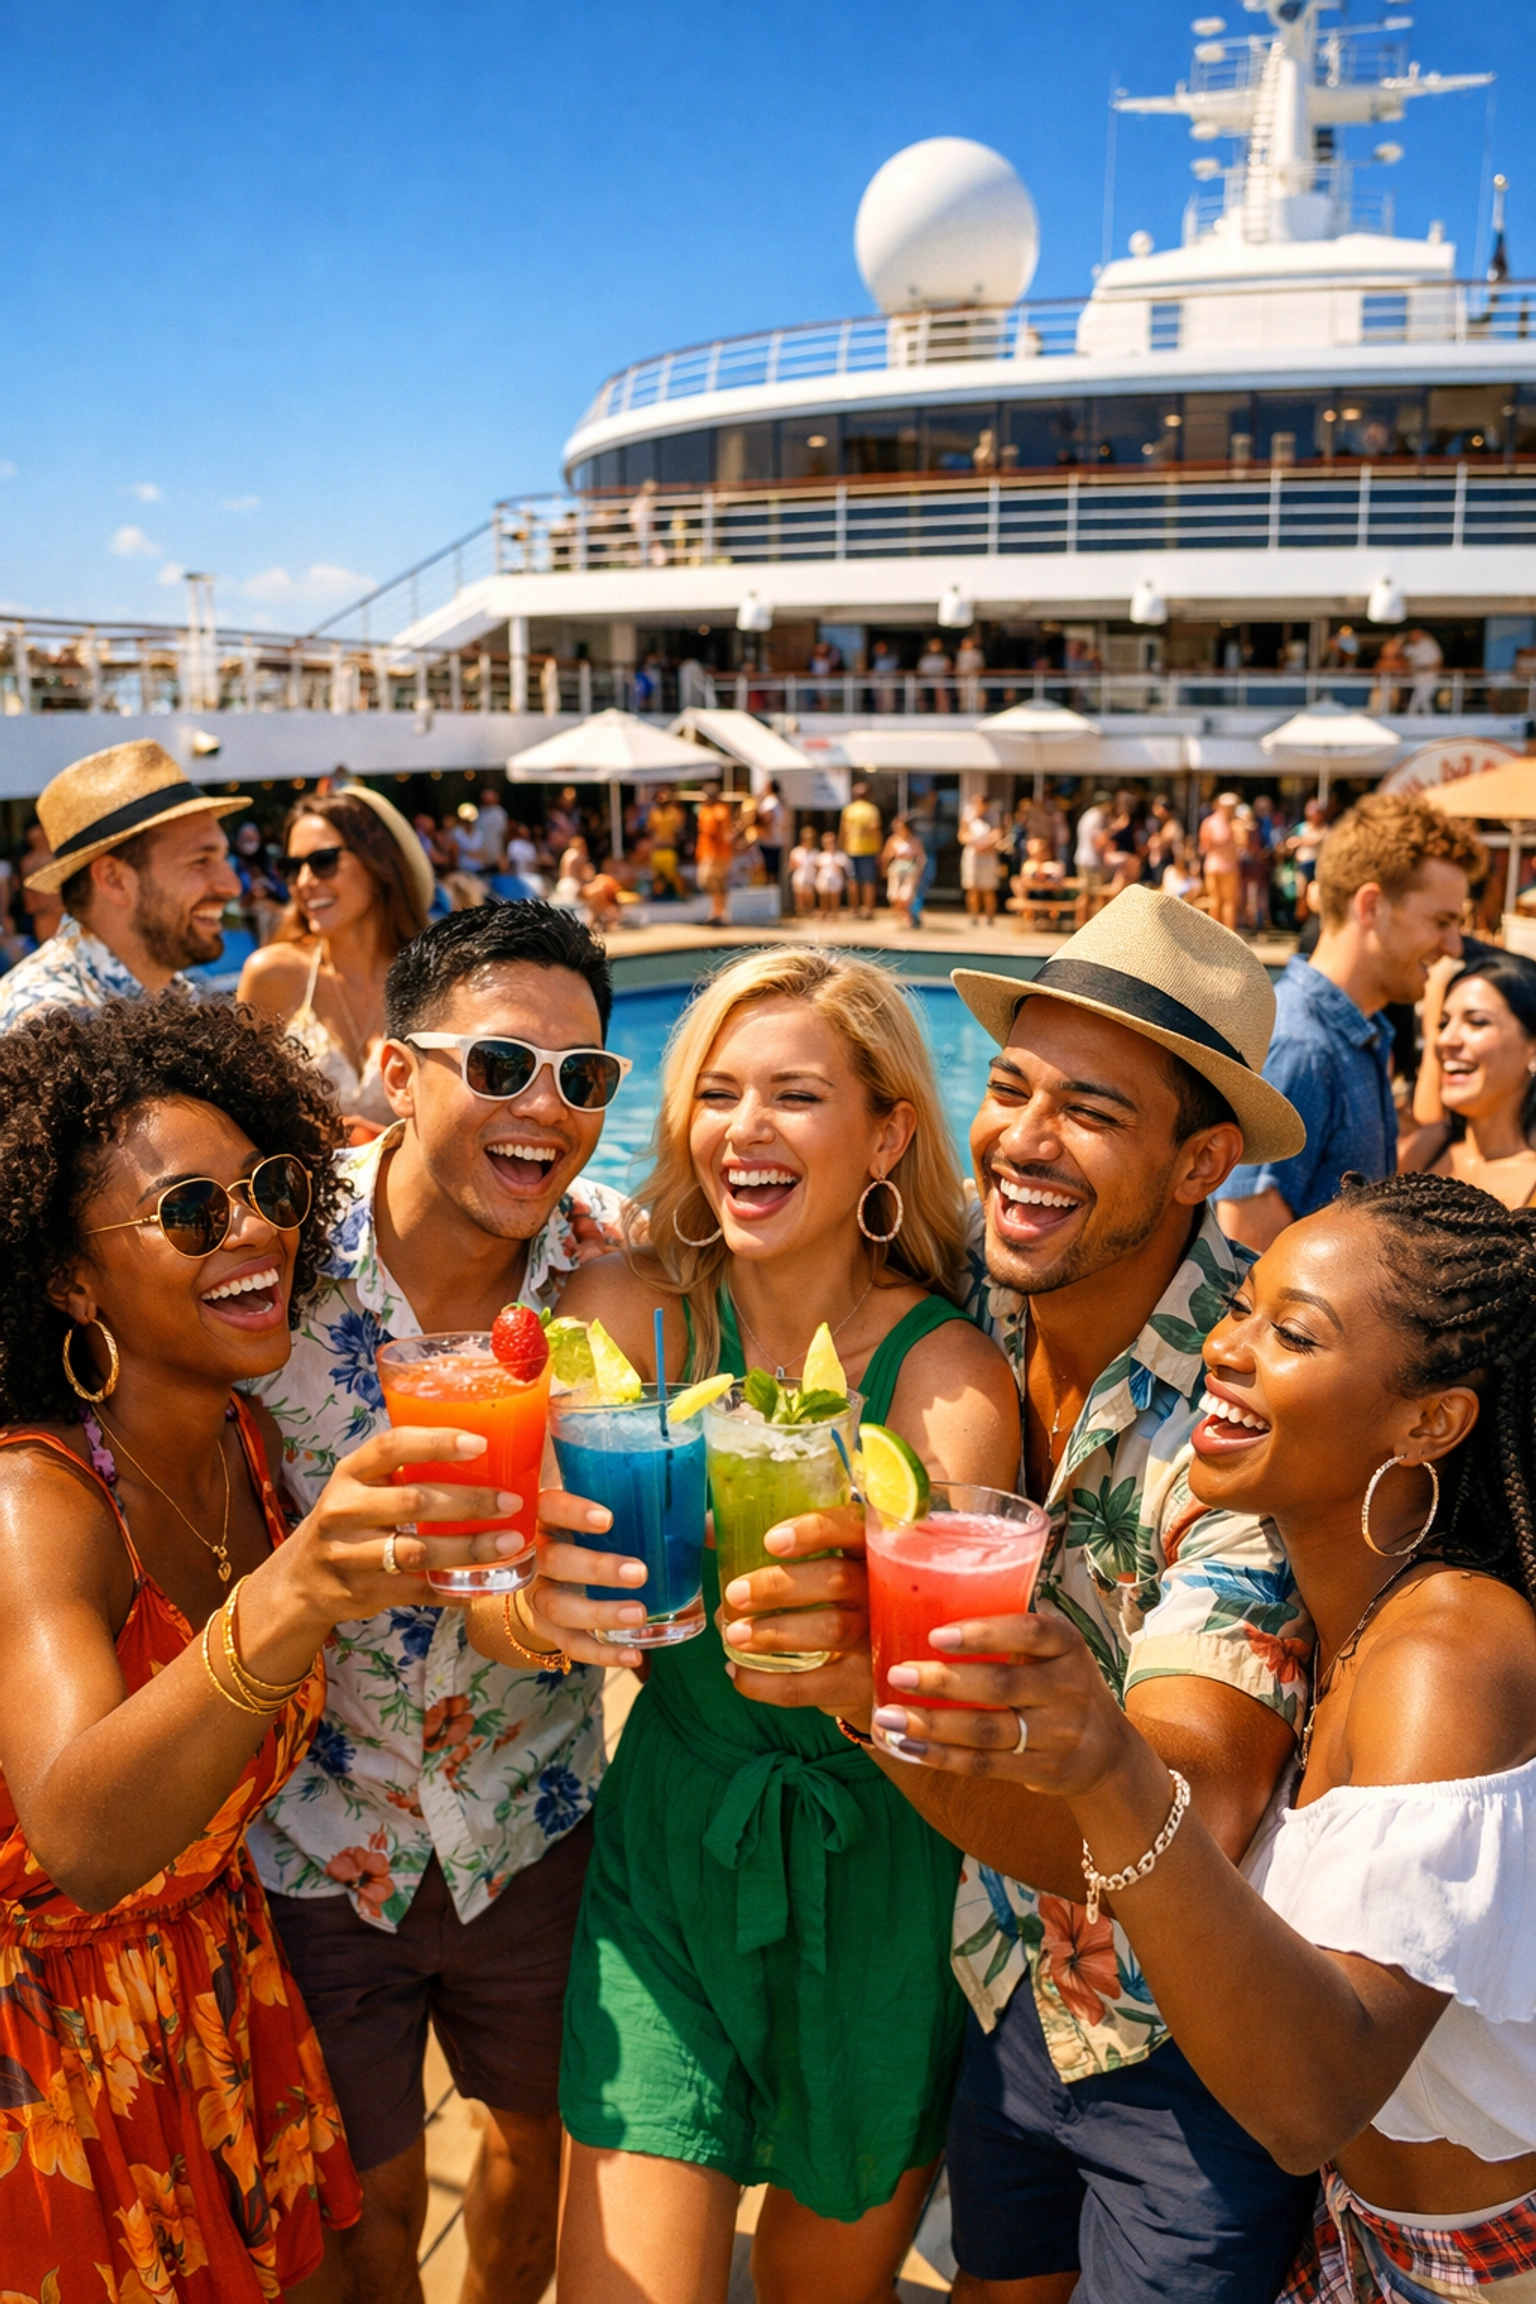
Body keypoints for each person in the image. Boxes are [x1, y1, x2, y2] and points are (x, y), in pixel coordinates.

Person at [729, 891, 1325, 2303]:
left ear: (1202, 1163)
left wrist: (866, 1687)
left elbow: (1187, 1822)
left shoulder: (1256, 1411)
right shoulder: (972, 1298)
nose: (1022, 1139)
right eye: (1007, 1089)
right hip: (997, 1985)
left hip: (1186, 2059)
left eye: (1092, 1111)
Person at [878, 1172, 1536, 2304]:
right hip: (1354, 2234)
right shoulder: (1349, 1619)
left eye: (1293, 1333)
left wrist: (1113, 1772)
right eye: (1244, 1309)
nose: (1226, 1349)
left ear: (1429, 1421)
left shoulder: (1450, 1652)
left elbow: (1306, 2101)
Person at [495, 947, 1019, 2303]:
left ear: (888, 1133)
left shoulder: (946, 1378)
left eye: (795, 1094)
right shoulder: (623, 1320)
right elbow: (518, 1599)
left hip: (881, 1883)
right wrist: (536, 1611)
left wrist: (853, 1666)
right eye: (717, 1092)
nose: (745, 1128)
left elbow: (950, 1692)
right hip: (672, 1854)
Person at [0, 993, 526, 2297]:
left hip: (224, 1987)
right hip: (58, 2053)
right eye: (192, 1213)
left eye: (273, 1188)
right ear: (70, 1276)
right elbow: (82, 1831)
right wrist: (289, 1596)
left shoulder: (250, 1436)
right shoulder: (37, 1504)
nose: (258, 1230)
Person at [250, 903, 627, 2304]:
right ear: (399, 1074)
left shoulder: (616, 1272)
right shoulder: (263, 1257)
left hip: (536, 1825)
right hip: (311, 1834)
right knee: (365, 2211)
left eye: (585, 1079)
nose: (548, 1109)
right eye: (504, 1066)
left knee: (534, 2165)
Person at [1218, 794, 1483, 1252]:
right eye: (1442, 921)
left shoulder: (1357, 1033)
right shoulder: (1304, 1047)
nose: (1455, 946)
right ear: (1371, 906)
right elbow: (1247, 1254)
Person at [0, 739, 245, 1032]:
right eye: (201, 861)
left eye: (223, 857)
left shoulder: (168, 994)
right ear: (114, 880)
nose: (231, 886)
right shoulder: (47, 1030)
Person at [239, 787, 434, 1143]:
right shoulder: (271, 975)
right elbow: (239, 1113)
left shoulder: (437, 977)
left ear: (379, 863)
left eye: (323, 861)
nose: (304, 882)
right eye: (291, 867)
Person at [1401, 949, 1536, 1209]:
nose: (1445, 1040)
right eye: (1443, 1023)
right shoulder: (1422, 1150)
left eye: (1477, 1022)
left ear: (1532, 1047)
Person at [1199, 790, 1245, 934]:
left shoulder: (1234, 823)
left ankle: (1228, 935)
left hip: (1225, 867)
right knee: (1218, 901)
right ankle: (1217, 935)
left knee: (1227, 902)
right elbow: (1206, 845)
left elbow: (1243, 844)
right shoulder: (1212, 822)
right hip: (1218, 866)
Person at [694, 781, 736, 927]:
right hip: (708, 852)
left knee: (713, 882)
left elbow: (717, 832)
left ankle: (720, 913)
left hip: (717, 854)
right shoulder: (705, 811)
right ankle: (717, 912)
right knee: (713, 883)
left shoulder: (719, 810)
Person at [839, 779, 883, 918]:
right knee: (869, 881)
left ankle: (854, 909)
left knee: (853, 881)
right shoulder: (872, 810)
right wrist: (880, 848)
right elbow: (875, 830)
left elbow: (843, 831)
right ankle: (868, 909)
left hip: (851, 849)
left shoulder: (849, 810)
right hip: (869, 849)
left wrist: (841, 847)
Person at [959, 794, 1003, 925]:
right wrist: (974, 843)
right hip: (973, 857)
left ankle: (989, 916)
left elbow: (998, 834)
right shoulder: (968, 817)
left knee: (988, 888)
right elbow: (962, 835)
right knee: (972, 887)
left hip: (988, 857)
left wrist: (984, 845)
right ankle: (974, 916)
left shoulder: (993, 817)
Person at [882, 814, 927, 929]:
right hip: (896, 869)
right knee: (894, 895)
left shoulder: (915, 841)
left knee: (906, 896)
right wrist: (884, 869)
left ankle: (908, 916)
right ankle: (902, 916)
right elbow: (886, 856)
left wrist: (920, 873)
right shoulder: (893, 840)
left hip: (910, 870)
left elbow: (921, 858)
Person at [1073, 790, 1110, 925]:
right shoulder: (1098, 816)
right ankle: (1083, 924)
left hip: (1082, 857)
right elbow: (1098, 841)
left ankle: (1080, 924)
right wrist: (1115, 829)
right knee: (1091, 894)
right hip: (1091, 860)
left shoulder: (1088, 815)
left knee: (1086, 893)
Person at [647, 784, 687, 901]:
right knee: (656, 876)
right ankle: (656, 898)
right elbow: (650, 830)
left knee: (672, 875)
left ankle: (683, 897)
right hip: (657, 849)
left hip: (669, 849)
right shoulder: (653, 813)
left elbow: (679, 829)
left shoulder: (675, 813)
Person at [755, 777, 786, 899]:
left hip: (767, 841)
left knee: (767, 872)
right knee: (773, 872)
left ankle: (767, 898)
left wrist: (763, 831)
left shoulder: (769, 803)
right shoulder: (779, 802)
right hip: (776, 840)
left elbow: (767, 818)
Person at [1405, 626, 1445, 715]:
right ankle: (1418, 716)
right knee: (1419, 698)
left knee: (1424, 698)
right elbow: (1406, 661)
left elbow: (1439, 660)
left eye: (1415, 634)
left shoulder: (1429, 644)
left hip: (1430, 677)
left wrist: (1426, 668)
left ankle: (1422, 717)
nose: (1413, 637)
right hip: (1417, 677)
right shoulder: (1409, 647)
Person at [815, 828, 851, 914]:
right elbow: (817, 869)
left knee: (835, 897)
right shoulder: (820, 856)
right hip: (823, 879)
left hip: (837, 879)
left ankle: (835, 913)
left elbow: (847, 870)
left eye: (831, 842)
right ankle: (824, 912)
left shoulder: (841, 856)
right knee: (824, 897)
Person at [476, 786, 510, 874]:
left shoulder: (499, 813)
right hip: (480, 855)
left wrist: (503, 855)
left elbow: (504, 834)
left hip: (495, 855)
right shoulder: (480, 812)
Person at [789, 824, 820, 918]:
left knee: (809, 894)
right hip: (800, 875)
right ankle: (800, 911)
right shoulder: (796, 851)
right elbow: (791, 865)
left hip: (811, 875)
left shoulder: (816, 852)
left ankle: (809, 911)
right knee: (799, 893)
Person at [917, 636, 953, 712]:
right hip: (926, 682)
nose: (935, 647)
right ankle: (922, 711)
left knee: (940, 690)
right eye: (934, 645)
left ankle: (942, 710)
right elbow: (920, 671)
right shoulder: (924, 658)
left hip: (940, 682)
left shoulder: (944, 658)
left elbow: (948, 670)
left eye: (937, 645)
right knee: (917, 691)